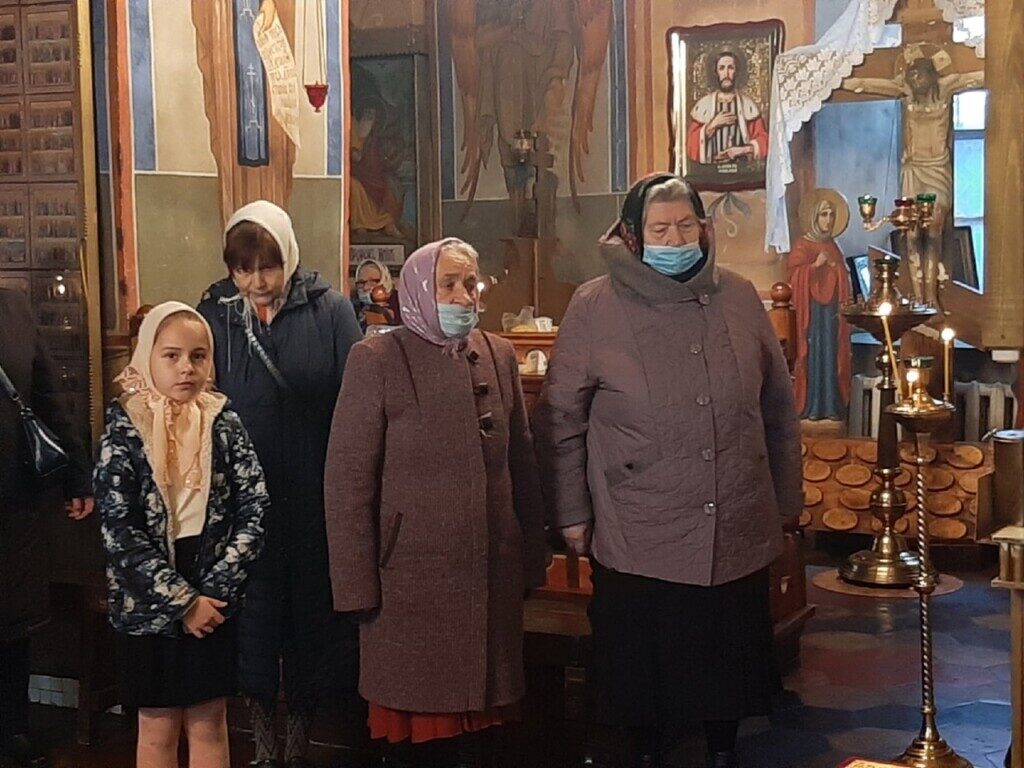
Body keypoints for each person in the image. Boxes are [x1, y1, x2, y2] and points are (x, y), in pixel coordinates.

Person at [533, 174, 802, 768]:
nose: (676, 239)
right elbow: (561, 419)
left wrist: (785, 501)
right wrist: (571, 514)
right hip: (640, 526)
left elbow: (777, 408)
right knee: (645, 674)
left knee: (728, 661)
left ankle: (722, 749)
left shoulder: (738, 296)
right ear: (633, 236)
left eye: (686, 226)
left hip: (734, 515)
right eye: (661, 229)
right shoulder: (594, 305)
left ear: (703, 230)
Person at [324, 238, 547, 767]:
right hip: (409, 588)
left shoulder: (498, 354)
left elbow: (523, 464)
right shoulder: (376, 358)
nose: (463, 296)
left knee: (485, 742)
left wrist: (530, 560)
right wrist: (356, 587)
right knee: (421, 742)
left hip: (490, 580)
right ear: (419, 289)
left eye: (470, 284)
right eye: (447, 285)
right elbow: (348, 482)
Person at [196, 200, 363, 768]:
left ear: (288, 257)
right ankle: (263, 747)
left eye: (267, 266)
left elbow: (356, 404)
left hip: (314, 495)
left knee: (310, 623)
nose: (257, 282)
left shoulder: (331, 310)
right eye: (243, 269)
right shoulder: (216, 312)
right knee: (253, 624)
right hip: (242, 503)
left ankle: (300, 745)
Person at [93, 302, 267, 768]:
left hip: (213, 593)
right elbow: (119, 529)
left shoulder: (224, 421)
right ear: (147, 356)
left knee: (210, 722)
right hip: (148, 598)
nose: (186, 367)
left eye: (198, 355)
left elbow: (254, 507)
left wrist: (216, 592)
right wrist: (182, 602)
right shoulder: (124, 428)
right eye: (171, 356)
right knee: (157, 729)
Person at [0, 288, 93, 768]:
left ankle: (11, 731)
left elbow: (46, 398)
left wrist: (77, 476)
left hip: (14, 501)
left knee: (13, 624)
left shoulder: (13, 308)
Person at [786, 190, 852, 420]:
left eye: (831, 215)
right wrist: (814, 266)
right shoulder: (802, 245)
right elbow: (794, 275)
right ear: (814, 216)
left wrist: (835, 267)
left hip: (831, 313)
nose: (828, 220)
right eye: (824, 214)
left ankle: (831, 406)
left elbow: (842, 272)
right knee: (812, 356)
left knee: (831, 357)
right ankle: (812, 407)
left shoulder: (832, 245)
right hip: (811, 313)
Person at [687, 49, 768, 165]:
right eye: (721, 68)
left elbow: (764, 141)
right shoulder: (704, 105)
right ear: (716, 72)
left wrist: (742, 150)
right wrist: (712, 125)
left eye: (730, 68)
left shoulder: (748, 105)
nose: (726, 74)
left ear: (737, 71)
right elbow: (690, 144)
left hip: (742, 169)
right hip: (711, 170)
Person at [352, 258, 401, 331]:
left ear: (385, 280)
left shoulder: (400, 304)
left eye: (373, 281)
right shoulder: (353, 308)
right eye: (361, 283)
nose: (366, 287)